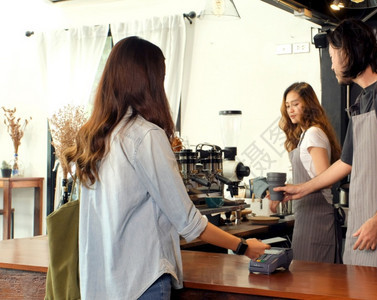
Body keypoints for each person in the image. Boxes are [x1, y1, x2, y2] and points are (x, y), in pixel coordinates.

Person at [65, 36, 270, 299]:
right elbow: (189, 222)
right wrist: (243, 246)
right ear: (149, 81)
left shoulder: (94, 138)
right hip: (142, 282)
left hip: (101, 286)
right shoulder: (145, 136)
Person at [275, 19, 377, 271]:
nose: (332, 64)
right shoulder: (360, 101)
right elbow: (346, 163)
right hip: (365, 224)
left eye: (333, 55)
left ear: (348, 51)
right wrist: (302, 189)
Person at [271, 82, 342, 263]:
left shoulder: (313, 133)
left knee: (313, 280)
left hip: (317, 218)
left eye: (296, 104)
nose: (291, 110)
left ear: (308, 104)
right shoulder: (304, 135)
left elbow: (326, 178)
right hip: (306, 216)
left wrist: (295, 188)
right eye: (287, 106)